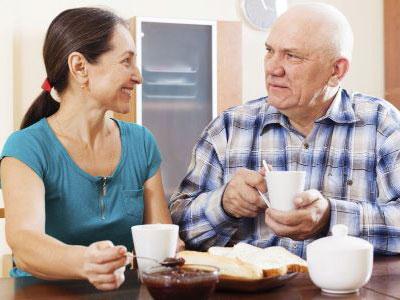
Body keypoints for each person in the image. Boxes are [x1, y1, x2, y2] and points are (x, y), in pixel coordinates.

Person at [170, 3, 400, 257]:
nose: (273, 68)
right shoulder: (227, 128)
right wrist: (224, 204)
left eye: (292, 56)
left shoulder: (382, 124)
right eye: (270, 51)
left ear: (336, 70)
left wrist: (331, 217)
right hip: (253, 292)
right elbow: (174, 229)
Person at [0, 7, 178, 291]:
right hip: (42, 296)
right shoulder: (26, 147)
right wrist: (85, 262)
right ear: (80, 67)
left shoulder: (142, 143)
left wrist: (171, 250)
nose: (138, 76)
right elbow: (24, 242)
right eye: (126, 62)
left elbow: (159, 242)